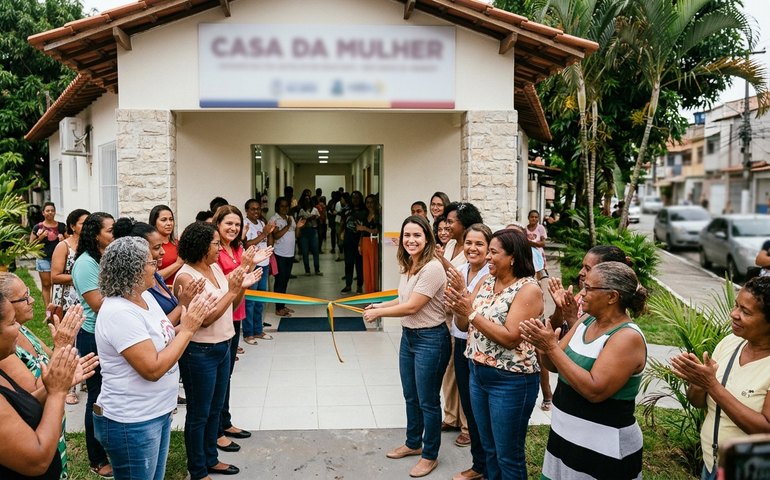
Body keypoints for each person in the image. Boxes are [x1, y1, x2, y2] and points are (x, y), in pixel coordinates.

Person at [93, 236, 212, 480]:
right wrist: (189, 329)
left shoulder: (144, 297)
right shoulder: (119, 312)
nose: (157, 263)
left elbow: (164, 333)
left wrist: (188, 313)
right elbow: (152, 369)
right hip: (132, 422)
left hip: (156, 413)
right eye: (150, 261)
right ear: (134, 269)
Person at [520, 261, 648, 480]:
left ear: (612, 297)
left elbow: (594, 390)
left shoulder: (627, 337)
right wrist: (543, 345)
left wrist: (551, 346)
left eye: (589, 288)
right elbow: (552, 364)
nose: (582, 294)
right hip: (566, 438)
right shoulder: (586, 321)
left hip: (602, 448)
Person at [445, 228, 543, 480]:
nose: (488, 257)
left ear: (512, 257)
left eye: (493, 252)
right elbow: (465, 324)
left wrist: (470, 312)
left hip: (510, 380)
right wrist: (459, 306)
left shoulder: (528, 289)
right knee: (488, 448)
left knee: (507, 454)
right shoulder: (488, 280)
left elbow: (511, 338)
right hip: (478, 373)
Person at [363, 215, 451, 478]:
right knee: (410, 396)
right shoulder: (410, 265)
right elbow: (404, 299)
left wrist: (379, 316)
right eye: (407, 236)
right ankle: (413, 443)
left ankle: (430, 455)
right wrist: (380, 306)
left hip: (431, 340)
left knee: (428, 402)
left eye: (417, 236)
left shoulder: (433, 268)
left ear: (427, 239)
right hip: (410, 337)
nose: (411, 240)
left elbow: (413, 306)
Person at [173, 221, 258, 480]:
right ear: (201, 246)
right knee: (199, 413)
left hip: (223, 346)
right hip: (200, 352)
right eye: (215, 244)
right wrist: (232, 291)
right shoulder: (186, 277)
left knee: (214, 408)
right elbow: (204, 318)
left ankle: (211, 458)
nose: (219, 248)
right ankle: (198, 470)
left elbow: (231, 306)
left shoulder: (214, 268)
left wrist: (240, 285)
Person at [671, 276, 770, 480]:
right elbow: (697, 402)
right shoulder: (731, 343)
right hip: (712, 466)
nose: (734, 314)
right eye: (736, 306)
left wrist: (712, 385)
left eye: (745, 311)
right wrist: (699, 383)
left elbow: (766, 431)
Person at [0, 272, 94, 480]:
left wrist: (61, 378)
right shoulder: (5, 355)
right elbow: (37, 460)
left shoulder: (20, 334)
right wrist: (58, 390)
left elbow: (23, 404)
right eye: (11, 322)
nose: (32, 299)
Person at [213, 205, 265, 453]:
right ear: (218, 224)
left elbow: (240, 281)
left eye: (236, 224)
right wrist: (246, 265)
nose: (233, 229)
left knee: (228, 372)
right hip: (219, 315)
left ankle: (225, 420)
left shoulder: (237, 248)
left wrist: (249, 262)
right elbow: (225, 281)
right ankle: (217, 431)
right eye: (228, 224)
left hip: (236, 314)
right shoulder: (213, 250)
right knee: (219, 375)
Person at [444, 224, 492, 480]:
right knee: (470, 408)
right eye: (469, 243)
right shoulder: (459, 270)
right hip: (460, 340)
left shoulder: (490, 274)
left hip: (481, 346)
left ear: (488, 249)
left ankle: (487, 465)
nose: (472, 248)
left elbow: (470, 309)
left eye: (479, 244)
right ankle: (479, 464)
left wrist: (461, 300)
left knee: (482, 409)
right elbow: (453, 308)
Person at [72, 212, 115, 478]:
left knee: (109, 394)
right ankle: (97, 458)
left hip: (108, 333)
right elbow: (99, 305)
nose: (114, 234)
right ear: (95, 234)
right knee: (96, 397)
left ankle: (109, 445)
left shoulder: (104, 258)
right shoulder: (86, 264)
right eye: (110, 230)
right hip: (92, 336)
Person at [438, 202, 484, 446]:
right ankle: (452, 416)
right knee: (450, 371)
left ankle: (468, 426)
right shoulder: (451, 245)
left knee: (465, 375)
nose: (447, 224)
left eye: (451, 221)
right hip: (448, 315)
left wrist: (440, 261)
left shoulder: (472, 250)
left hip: (466, 317)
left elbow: (456, 275)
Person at [50, 208, 89, 405]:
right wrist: (80, 278)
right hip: (68, 299)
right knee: (69, 341)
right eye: (83, 222)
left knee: (84, 338)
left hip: (85, 299)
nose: (87, 225)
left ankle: (82, 378)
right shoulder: (64, 246)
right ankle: (68, 387)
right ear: (73, 226)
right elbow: (55, 276)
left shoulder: (90, 245)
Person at [243, 198, 275, 343]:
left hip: (264, 264)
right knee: (250, 301)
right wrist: (264, 234)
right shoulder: (246, 224)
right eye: (253, 209)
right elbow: (247, 244)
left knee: (260, 301)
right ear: (247, 211)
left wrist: (269, 234)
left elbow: (266, 241)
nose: (256, 211)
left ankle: (258, 330)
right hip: (252, 266)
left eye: (258, 209)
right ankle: (248, 333)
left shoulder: (261, 223)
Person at [270, 197, 305, 317]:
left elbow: (296, 235)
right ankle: (278, 308)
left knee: (285, 281)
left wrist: (298, 227)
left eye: (286, 206)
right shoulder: (274, 219)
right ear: (277, 207)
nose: (285, 208)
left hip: (290, 254)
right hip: (280, 254)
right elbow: (276, 236)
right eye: (282, 206)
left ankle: (282, 305)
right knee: (280, 281)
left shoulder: (290, 218)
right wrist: (288, 226)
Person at [30, 202, 66, 309]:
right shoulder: (38, 227)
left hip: (59, 260)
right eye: (47, 210)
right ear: (43, 213)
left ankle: (58, 308)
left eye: (52, 210)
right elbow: (30, 245)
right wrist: (40, 238)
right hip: (43, 259)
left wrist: (63, 239)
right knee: (46, 285)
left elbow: (70, 241)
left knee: (58, 285)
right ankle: (48, 311)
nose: (50, 212)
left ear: (55, 212)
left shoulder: (61, 226)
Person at [149, 205, 183, 286]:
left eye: (171, 219)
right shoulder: (151, 247)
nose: (169, 223)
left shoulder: (178, 244)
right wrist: (178, 264)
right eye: (163, 220)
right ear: (154, 223)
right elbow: (152, 277)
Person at [341, 191, 366, 294]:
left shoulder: (365, 211)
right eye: (353, 197)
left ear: (360, 198)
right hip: (348, 239)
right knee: (348, 263)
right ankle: (348, 285)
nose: (355, 199)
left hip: (360, 240)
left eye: (357, 197)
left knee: (360, 265)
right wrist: (340, 234)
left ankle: (359, 285)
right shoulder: (346, 210)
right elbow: (342, 222)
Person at [357, 194, 381, 294]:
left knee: (373, 266)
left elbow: (376, 230)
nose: (369, 204)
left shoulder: (378, 215)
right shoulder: (364, 215)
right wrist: (359, 244)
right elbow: (361, 232)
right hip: (365, 241)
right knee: (366, 268)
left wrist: (365, 228)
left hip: (373, 241)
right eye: (367, 202)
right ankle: (368, 291)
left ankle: (374, 291)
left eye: (371, 202)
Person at [297, 196, 322, 276]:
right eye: (305, 200)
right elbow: (300, 221)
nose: (307, 201)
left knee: (315, 251)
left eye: (308, 199)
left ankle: (317, 269)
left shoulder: (315, 210)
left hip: (313, 230)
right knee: (305, 251)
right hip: (304, 231)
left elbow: (319, 220)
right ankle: (307, 270)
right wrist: (309, 219)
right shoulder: (301, 210)